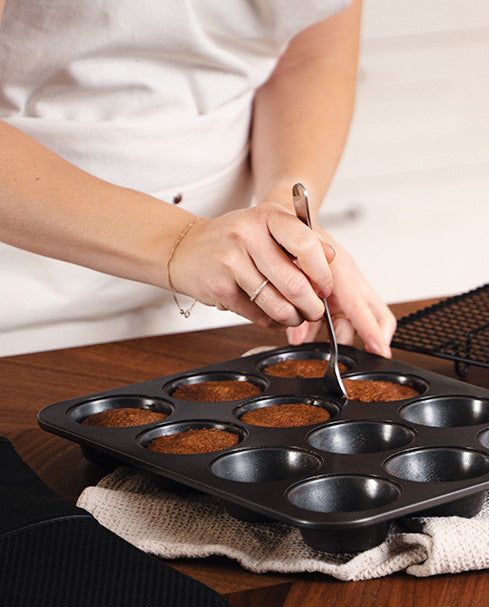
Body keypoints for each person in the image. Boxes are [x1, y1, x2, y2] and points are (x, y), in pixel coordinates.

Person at [0, 0, 396, 357]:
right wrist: (179, 242)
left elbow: (310, 54)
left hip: (214, 309)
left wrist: (283, 223)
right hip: (20, 308)